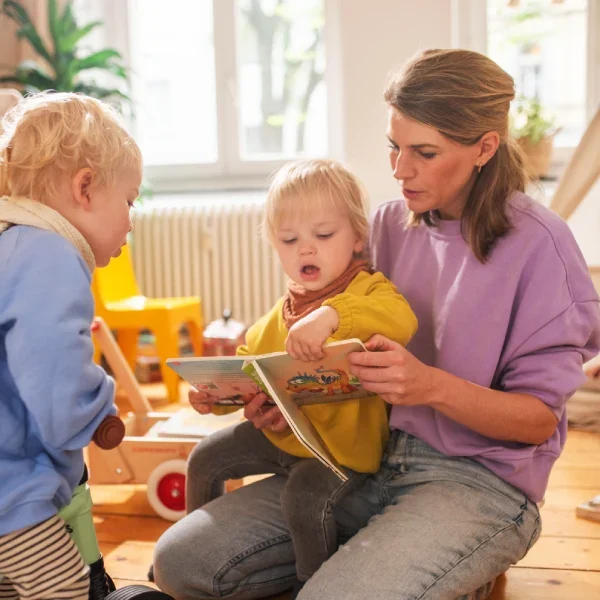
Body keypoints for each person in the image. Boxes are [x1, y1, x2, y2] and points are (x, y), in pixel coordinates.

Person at [153, 49, 600, 600]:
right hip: (363, 462)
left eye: (424, 152)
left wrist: (429, 386)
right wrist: (283, 398)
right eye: (395, 146)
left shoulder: (541, 246)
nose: (398, 168)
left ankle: (446, 568)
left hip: (476, 484)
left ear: (485, 147)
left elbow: (536, 422)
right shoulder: (388, 224)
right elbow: (336, 360)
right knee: (180, 563)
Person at [179, 158, 418, 597]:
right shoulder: (278, 314)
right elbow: (247, 366)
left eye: (323, 236)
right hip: (284, 439)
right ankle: (192, 554)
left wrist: (332, 316)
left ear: (357, 236)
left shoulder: (367, 290)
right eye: (289, 240)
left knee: (303, 499)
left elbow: (401, 319)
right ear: (275, 244)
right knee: (205, 457)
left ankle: (314, 585)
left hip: (341, 454)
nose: (306, 250)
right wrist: (216, 395)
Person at [0, 92, 142, 600]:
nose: (130, 219)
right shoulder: (50, 256)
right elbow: (55, 370)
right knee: (65, 589)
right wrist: (95, 408)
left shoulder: (12, 244)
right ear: (84, 187)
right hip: (15, 496)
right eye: (129, 200)